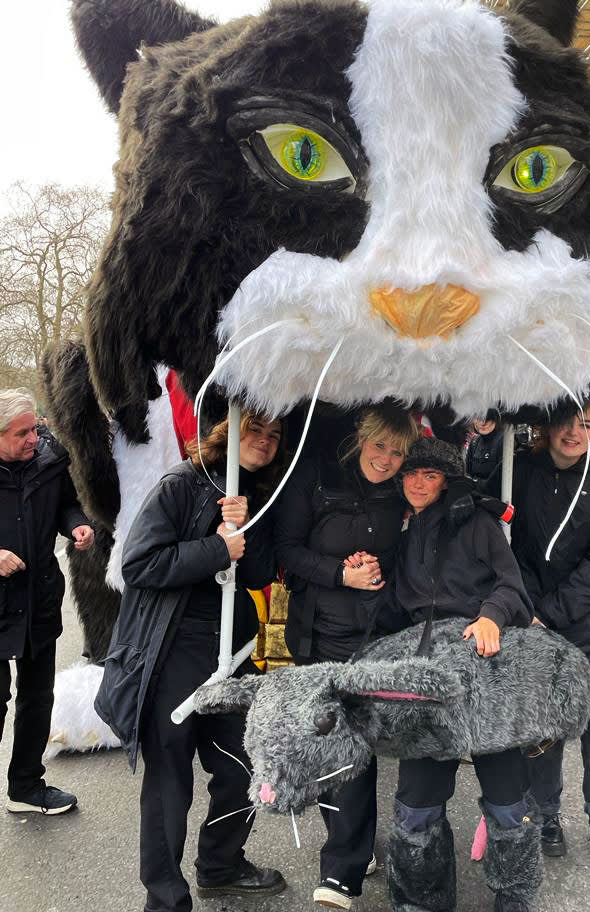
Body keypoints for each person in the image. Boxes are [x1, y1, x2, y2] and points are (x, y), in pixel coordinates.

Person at [96, 412, 287, 912]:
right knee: (171, 778)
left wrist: (246, 530)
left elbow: (260, 572)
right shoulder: (182, 484)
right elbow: (138, 564)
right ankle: (164, 897)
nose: (264, 443)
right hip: (173, 649)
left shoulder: (260, 493)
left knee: (243, 766)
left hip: (231, 654)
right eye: (254, 432)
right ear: (229, 432)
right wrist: (215, 548)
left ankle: (220, 866)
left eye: (272, 436)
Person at [275, 406, 420, 911]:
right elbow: (288, 549)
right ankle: (353, 841)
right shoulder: (315, 475)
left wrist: (374, 567)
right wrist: (341, 572)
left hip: (369, 637)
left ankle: (343, 870)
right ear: (362, 437)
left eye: (398, 452)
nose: (387, 459)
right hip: (316, 636)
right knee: (326, 748)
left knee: (353, 751)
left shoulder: (399, 492)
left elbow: (404, 559)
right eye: (380, 446)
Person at [385, 436, 537, 912]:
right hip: (425, 670)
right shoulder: (398, 528)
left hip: (484, 660)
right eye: (410, 474)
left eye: (429, 475)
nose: (418, 483)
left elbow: (511, 583)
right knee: (417, 800)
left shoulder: (477, 522)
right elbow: (393, 605)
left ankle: (514, 893)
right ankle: (421, 898)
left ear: (446, 481)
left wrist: (492, 614)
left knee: (507, 794)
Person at [511, 396, 590, 878]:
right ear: (548, 426)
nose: (574, 433)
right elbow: (507, 546)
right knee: (543, 726)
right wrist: (528, 610)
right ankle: (545, 812)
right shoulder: (518, 471)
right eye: (566, 422)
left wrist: (551, 613)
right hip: (533, 621)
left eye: (585, 424)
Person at [0, 389, 94, 816]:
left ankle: (26, 786)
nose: (32, 438)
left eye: (34, 428)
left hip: (38, 599)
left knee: (37, 697)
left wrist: (77, 526)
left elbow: (67, 507)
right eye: (21, 434)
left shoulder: (50, 460)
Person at [465, 410, 504, 498]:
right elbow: (467, 473)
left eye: (488, 419)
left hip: (495, 500)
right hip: (475, 498)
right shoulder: (474, 441)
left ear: (496, 419)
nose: (483, 423)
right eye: (479, 418)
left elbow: (499, 481)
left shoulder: (504, 442)